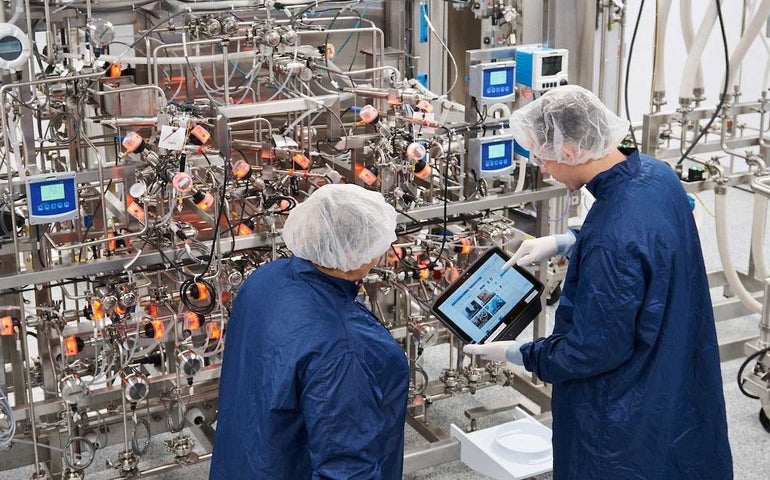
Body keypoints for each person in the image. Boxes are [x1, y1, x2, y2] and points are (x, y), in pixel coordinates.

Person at [464, 85, 733, 479]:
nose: (544, 169)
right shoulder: (656, 175)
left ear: (571, 152)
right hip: (674, 370)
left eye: (544, 158)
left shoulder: (612, 238)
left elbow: (591, 351)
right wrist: (571, 238)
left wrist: (522, 354)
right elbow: (650, 238)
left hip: (620, 416)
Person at [210, 184, 409, 480]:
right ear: (354, 253)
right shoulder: (344, 350)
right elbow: (347, 470)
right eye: (378, 240)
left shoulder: (266, 278)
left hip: (246, 457)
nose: (383, 248)